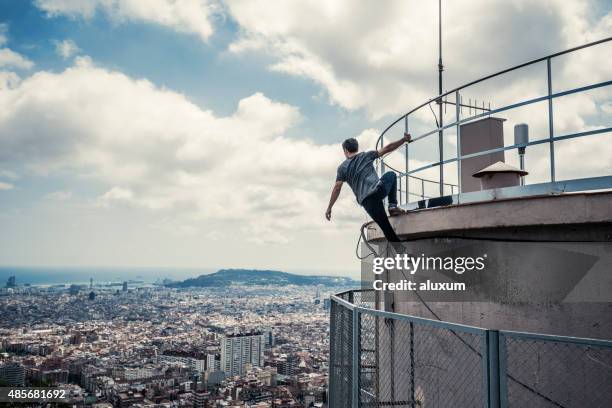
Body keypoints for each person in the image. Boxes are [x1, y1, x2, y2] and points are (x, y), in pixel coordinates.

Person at [325, 133, 412, 242]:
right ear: (356, 148)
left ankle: (402, 254)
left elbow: (337, 188)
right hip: (378, 191)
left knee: (387, 229)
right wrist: (404, 139)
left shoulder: (342, 168)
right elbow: (387, 148)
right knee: (391, 175)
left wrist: (329, 207)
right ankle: (392, 206)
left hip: (367, 202)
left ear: (345, 151)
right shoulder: (366, 156)